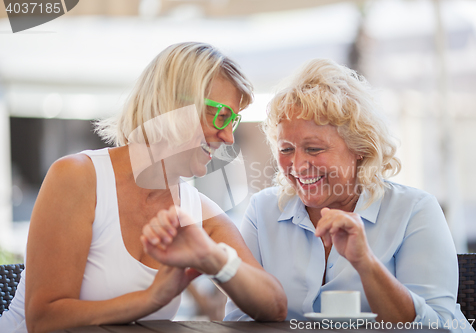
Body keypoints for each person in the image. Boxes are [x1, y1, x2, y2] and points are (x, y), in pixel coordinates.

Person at [0, 42, 287, 333]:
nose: (228, 138)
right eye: (221, 116)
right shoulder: (78, 177)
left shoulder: (196, 213)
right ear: (173, 106)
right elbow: (43, 319)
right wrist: (150, 299)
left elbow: (275, 307)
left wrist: (213, 258)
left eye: (233, 122)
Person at [224, 59, 475, 333]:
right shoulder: (263, 211)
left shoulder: (414, 210)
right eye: (286, 149)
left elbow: (438, 328)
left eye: (314, 149)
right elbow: (241, 321)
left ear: (359, 149)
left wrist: (365, 263)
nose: (297, 165)